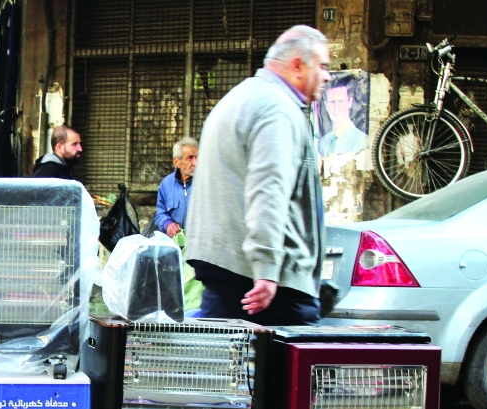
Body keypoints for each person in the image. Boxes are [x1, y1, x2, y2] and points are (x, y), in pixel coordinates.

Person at [186, 25, 330, 327]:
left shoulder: (239, 98)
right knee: (292, 357)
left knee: (226, 354)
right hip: (263, 279)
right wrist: (266, 267)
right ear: (297, 65)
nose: (328, 76)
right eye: (323, 66)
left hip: (226, 266)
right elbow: (268, 188)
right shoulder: (278, 109)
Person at [154, 137, 198, 238]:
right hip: (176, 242)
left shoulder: (205, 182)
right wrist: (168, 224)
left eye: (197, 157)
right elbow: (160, 214)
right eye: (190, 158)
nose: (195, 163)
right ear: (177, 162)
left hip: (200, 242)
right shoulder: (166, 184)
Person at [319, 80, 368, 158]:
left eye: (341, 101)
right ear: (326, 105)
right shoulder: (323, 142)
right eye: (332, 102)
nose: (336, 107)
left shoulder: (362, 141)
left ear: (349, 102)